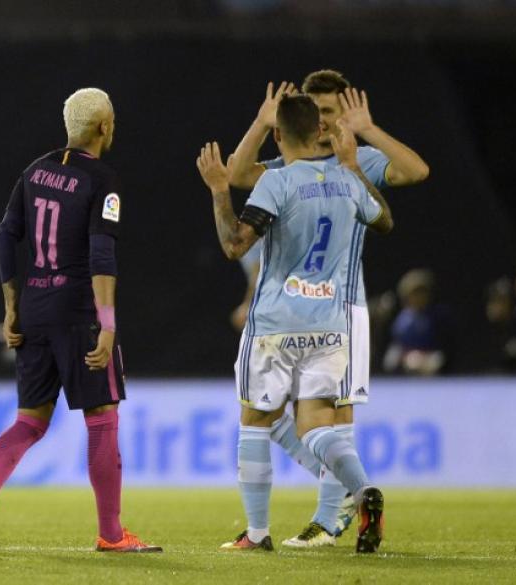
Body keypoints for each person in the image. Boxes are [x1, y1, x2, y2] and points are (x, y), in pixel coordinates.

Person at [226, 71, 429, 547]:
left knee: (330, 418)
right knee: (292, 419)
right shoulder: (293, 165)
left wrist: (367, 133)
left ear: (344, 119)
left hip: (344, 307)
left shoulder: (357, 162)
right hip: (317, 315)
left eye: (331, 114)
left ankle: (330, 516)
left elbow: (417, 171)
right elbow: (239, 173)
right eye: (314, 115)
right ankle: (349, 494)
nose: (322, 124)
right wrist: (262, 123)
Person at [0, 88, 161, 553]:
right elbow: (101, 253)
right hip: (79, 313)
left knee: (29, 421)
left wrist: (11, 307)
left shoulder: (36, 170)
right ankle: (112, 534)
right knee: (103, 418)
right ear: (103, 127)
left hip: (35, 307)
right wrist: (107, 323)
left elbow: (5, 235)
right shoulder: (102, 180)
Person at [197, 94, 393, 553]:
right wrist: (355, 168)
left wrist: (219, 190)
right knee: (317, 428)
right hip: (331, 326)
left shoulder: (278, 183)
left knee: (255, 420)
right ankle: (363, 492)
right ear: (319, 131)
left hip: (275, 325)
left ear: (279, 135)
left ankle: (257, 533)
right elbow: (383, 219)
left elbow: (235, 244)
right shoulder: (348, 180)